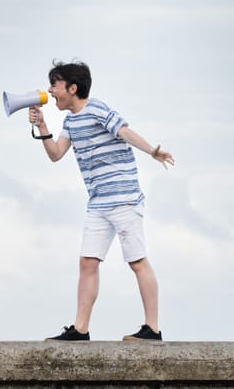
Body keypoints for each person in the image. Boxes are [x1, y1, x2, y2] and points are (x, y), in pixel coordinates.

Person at [28, 60, 175, 342]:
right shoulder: (70, 121)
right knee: (87, 262)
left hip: (123, 198)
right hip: (97, 202)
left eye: (54, 85)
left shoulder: (97, 108)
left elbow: (124, 131)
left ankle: (152, 330)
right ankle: (80, 329)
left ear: (72, 87)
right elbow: (56, 153)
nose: (49, 91)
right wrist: (43, 125)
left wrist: (152, 151)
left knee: (137, 261)